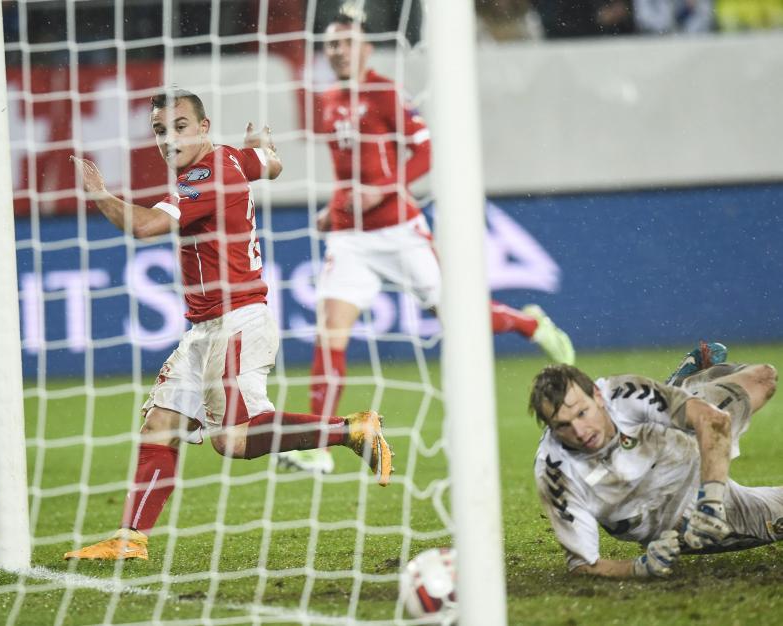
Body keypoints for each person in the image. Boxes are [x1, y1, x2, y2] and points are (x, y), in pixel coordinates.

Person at [63, 89, 394, 561]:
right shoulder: (234, 158)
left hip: (237, 323)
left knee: (233, 440)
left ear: (203, 126)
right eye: (160, 130)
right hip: (204, 329)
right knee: (161, 422)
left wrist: (99, 193)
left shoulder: (207, 175)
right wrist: (264, 147)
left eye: (179, 127)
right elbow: (270, 163)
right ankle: (131, 539)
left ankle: (351, 430)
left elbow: (144, 227)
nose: (168, 140)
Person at [276, 12, 576, 475]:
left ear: (366, 48)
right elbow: (350, 173)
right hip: (351, 238)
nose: (337, 51)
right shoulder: (329, 99)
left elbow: (426, 150)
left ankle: (527, 324)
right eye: (331, 45)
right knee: (329, 335)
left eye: (345, 43)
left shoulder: (383, 93)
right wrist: (334, 209)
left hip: (399, 230)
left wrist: (385, 190)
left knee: (456, 315)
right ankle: (318, 447)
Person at [530, 346, 781, 579]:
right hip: (676, 517)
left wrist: (711, 500)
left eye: (582, 413)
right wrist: (640, 567)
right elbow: (583, 565)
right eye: (563, 425)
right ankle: (675, 392)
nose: (580, 431)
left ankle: (675, 392)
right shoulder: (554, 472)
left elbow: (713, 420)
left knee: (763, 377)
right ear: (550, 428)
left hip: (685, 443)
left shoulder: (623, 394)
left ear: (597, 395)